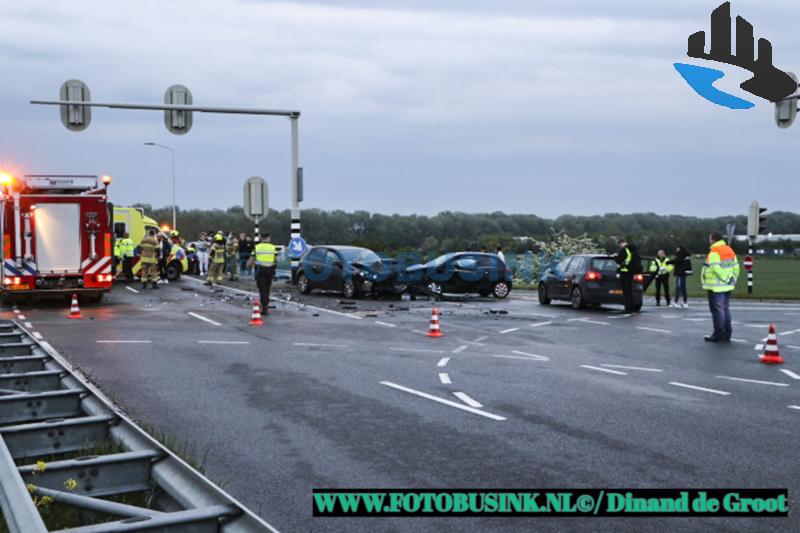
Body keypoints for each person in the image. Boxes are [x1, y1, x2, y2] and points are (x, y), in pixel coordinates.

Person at [701, 232, 740, 342]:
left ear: (713, 240)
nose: (709, 241)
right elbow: (736, 267)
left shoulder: (714, 251)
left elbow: (715, 268)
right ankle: (727, 333)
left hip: (716, 286)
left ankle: (718, 334)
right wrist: (732, 279)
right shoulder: (729, 250)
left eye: (709, 238)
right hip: (727, 286)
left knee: (717, 311)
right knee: (725, 310)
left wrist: (725, 279)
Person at [254, 232, 277, 315]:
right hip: (270, 271)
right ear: (268, 238)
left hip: (260, 271)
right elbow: (275, 259)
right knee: (267, 289)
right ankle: (266, 306)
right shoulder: (273, 247)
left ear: (261, 238)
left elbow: (252, 258)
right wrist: (275, 269)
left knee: (262, 289)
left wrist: (246, 266)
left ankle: (264, 307)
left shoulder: (256, 247)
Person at [614, 238, 637, 313]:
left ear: (621, 243)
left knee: (626, 292)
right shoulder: (630, 250)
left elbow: (618, 260)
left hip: (624, 273)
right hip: (631, 272)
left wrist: (615, 256)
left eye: (619, 245)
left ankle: (627, 309)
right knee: (630, 291)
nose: (620, 246)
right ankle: (631, 308)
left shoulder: (624, 250)